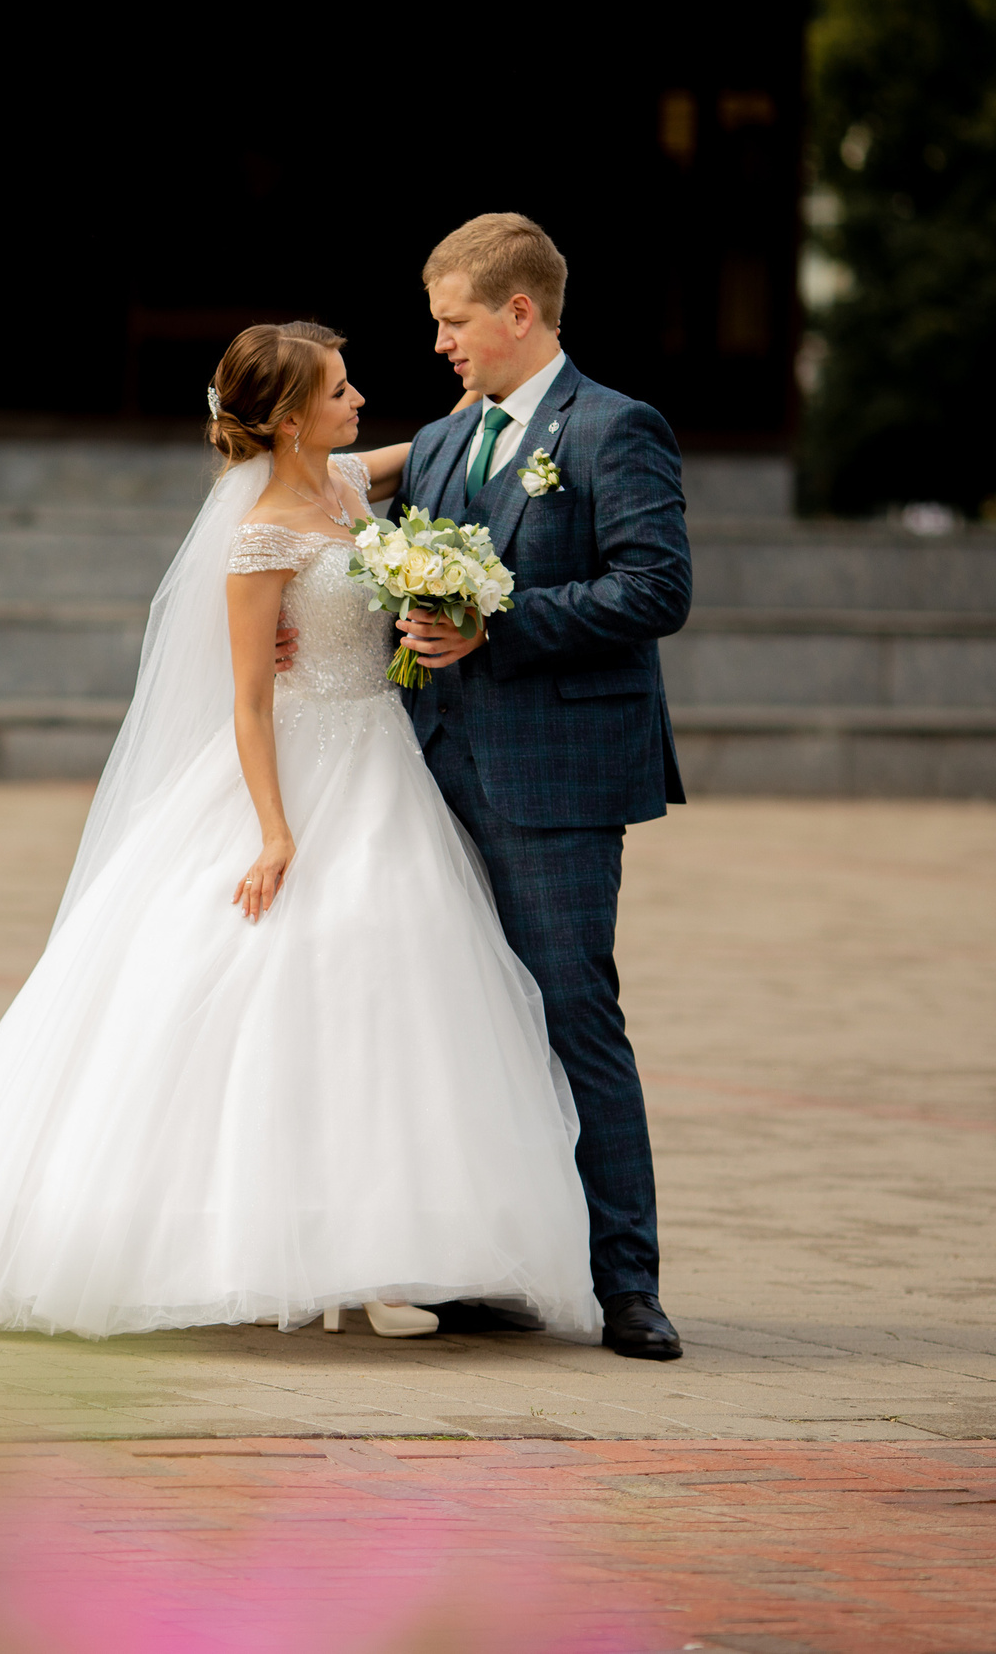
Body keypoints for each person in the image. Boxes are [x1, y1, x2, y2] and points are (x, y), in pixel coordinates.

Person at [0, 316, 602, 1344]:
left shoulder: (344, 484)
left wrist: (504, 372)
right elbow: (247, 704)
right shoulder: (255, 537)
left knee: (387, 987)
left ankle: (378, 1255)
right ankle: (314, 1255)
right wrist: (274, 832)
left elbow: (443, 435)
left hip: (380, 764)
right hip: (298, 765)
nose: (356, 402)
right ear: (290, 419)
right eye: (338, 390)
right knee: (290, 980)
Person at [384, 214, 692, 1360]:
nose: (440, 344)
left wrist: (492, 619)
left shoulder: (616, 429)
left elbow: (654, 591)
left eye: (453, 322)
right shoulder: (435, 444)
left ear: (519, 313)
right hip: (430, 770)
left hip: (555, 772)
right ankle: (476, 1272)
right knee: (459, 1020)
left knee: (572, 1014)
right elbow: (393, 575)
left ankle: (627, 1286)